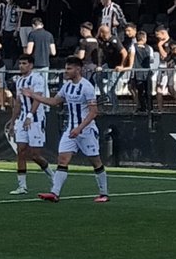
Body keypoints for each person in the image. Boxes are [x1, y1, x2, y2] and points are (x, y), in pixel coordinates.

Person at [24, 57, 109, 203]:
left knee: (95, 161)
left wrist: (79, 128)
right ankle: (54, 193)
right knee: (62, 159)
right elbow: (54, 101)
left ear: (78, 69)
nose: (66, 71)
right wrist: (33, 95)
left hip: (86, 130)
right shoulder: (67, 86)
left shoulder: (87, 87)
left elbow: (93, 112)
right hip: (70, 129)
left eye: (69, 68)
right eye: (66, 68)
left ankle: (104, 193)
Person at [9, 55, 55, 195]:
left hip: (35, 119)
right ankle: (22, 186)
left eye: (24, 63)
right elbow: (18, 102)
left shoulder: (37, 79)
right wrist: (12, 122)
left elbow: (38, 99)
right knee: (21, 151)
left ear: (31, 65)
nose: (21, 66)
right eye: (20, 63)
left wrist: (30, 115)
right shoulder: (19, 81)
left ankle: (53, 177)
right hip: (22, 119)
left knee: (35, 155)